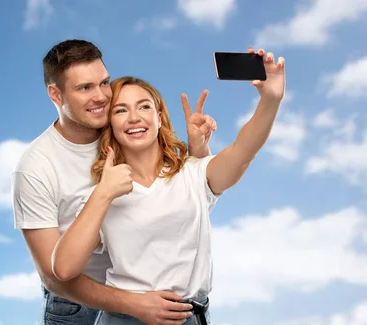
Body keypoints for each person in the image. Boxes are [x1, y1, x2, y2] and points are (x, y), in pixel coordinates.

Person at [51, 48, 286, 324]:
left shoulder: (194, 173)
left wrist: (270, 100)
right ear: (109, 124)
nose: (134, 117)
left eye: (144, 106)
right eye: (120, 110)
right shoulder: (103, 191)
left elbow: (243, 151)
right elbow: (64, 268)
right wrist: (103, 193)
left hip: (189, 316)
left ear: (159, 117)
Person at [12, 39, 218, 325]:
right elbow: (52, 275)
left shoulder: (126, 126)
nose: (101, 97)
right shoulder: (35, 167)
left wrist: (199, 151)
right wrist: (133, 304)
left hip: (149, 296)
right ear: (55, 95)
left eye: (104, 83)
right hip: (76, 305)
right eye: (85, 88)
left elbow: (180, 204)